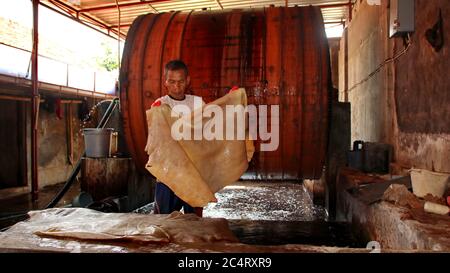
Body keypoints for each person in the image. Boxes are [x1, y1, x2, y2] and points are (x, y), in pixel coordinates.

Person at [151, 60, 205, 217]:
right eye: (172, 82)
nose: (176, 86)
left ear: (187, 80)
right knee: (164, 220)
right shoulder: (161, 104)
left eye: (181, 81)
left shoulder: (197, 103)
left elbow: (212, 126)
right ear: (165, 82)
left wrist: (231, 100)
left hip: (193, 172)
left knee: (194, 221)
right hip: (167, 173)